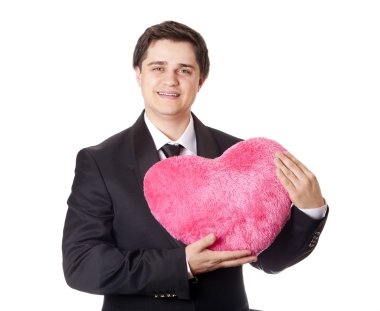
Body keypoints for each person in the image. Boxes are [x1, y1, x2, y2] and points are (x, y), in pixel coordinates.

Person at [62, 20, 328, 311]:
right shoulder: (100, 161)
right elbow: (82, 264)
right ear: (138, 74)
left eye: (184, 70)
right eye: (158, 67)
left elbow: (268, 260)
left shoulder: (240, 156)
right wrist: (181, 265)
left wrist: (310, 210)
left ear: (201, 80)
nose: (170, 80)